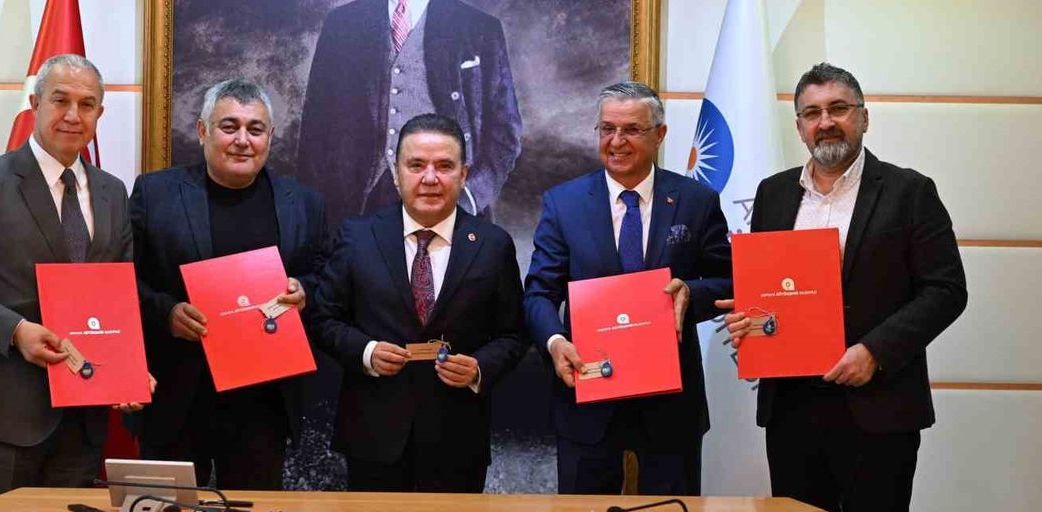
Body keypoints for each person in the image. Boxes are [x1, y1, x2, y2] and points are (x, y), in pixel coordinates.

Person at [718, 63, 967, 512]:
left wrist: (875, 351)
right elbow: (770, 290)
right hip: (791, 410)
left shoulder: (910, 191)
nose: (826, 122)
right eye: (812, 113)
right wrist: (749, 321)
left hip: (878, 406)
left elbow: (946, 290)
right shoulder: (773, 193)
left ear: (864, 117)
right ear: (799, 127)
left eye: (838, 108)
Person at [0, 54, 145, 507]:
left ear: (99, 113)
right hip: (1, 409)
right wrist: (16, 330)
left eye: (87, 104)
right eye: (60, 100)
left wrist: (127, 370)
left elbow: (118, 293)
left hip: (83, 413)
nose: (73, 115)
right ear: (36, 103)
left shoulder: (113, 191)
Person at [522, 81, 732, 495]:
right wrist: (554, 341)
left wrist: (692, 294)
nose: (616, 141)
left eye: (632, 130)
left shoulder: (696, 200)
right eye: (607, 129)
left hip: (671, 402)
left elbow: (729, 279)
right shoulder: (564, 203)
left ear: (659, 134)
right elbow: (539, 292)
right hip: (588, 392)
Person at [307, 113, 527, 492]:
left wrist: (479, 368)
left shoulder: (493, 244)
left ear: (464, 174)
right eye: (416, 165)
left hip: (458, 440)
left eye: (444, 166)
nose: (430, 178)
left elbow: (515, 333)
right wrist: (366, 352)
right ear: (396, 173)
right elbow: (323, 318)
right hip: (373, 439)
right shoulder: (357, 237)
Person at [129, 79, 328, 490]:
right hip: (177, 395)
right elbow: (123, 278)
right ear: (203, 131)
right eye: (229, 126)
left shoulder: (305, 203)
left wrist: (304, 290)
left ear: (270, 137)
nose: (242, 140)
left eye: (255, 129)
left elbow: (326, 276)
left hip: (263, 402)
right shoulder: (155, 193)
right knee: (166, 506)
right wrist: (166, 312)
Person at [296, 0, 522, 228]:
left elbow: (505, 134)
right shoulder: (342, 25)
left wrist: (469, 197)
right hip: (356, 210)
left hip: (449, 208)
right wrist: (315, 222)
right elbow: (314, 134)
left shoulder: (479, 30)